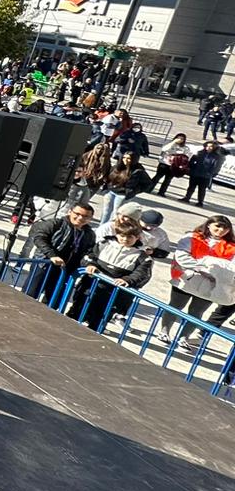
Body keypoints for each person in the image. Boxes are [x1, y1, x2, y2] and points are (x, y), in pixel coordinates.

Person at [66, 214, 152, 332]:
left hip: (113, 294)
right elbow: (88, 256)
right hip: (89, 287)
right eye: (122, 236)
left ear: (137, 237)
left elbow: (142, 274)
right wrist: (91, 265)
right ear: (117, 234)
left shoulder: (142, 257)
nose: (125, 239)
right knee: (76, 312)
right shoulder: (103, 244)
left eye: (130, 237)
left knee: (98, 322)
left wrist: (127, 280)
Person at [163, 214, 235, 344]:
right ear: (209, 225)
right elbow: (182, 256)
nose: (221, 230)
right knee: (175, 306)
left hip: (211, 284)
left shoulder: (232, 247)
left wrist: (215, 274)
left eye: (225, 228)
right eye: (217, 226)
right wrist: (202, 268)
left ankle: (183, 338)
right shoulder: (192, 237)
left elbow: (231, 267)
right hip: (187, 278)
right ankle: (164, 331)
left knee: (197, 312)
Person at [29, 203, 98, 305]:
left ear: (90, 218)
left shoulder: (90, 234)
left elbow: (90, 252)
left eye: (85, 216)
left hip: (66, 271)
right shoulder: (57, 223)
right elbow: (39, 237)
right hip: (44, 265)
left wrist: (90, 264)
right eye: (77, 214)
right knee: (29, 296)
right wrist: (51, 255)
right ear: (70, 212)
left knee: (53, 303)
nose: (80, 218)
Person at [185, 140, 223, 207]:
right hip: (195, 173)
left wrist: (212, 173)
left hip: (205, 175)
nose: (208, 148)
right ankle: (187, 198)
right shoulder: (200, 153)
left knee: (202, 189)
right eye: (207, 146)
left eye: (211, 146)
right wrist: (191, 168)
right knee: (191, 187)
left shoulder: (217, 157)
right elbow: (192, 161)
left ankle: (200, 202)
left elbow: (217, 167)